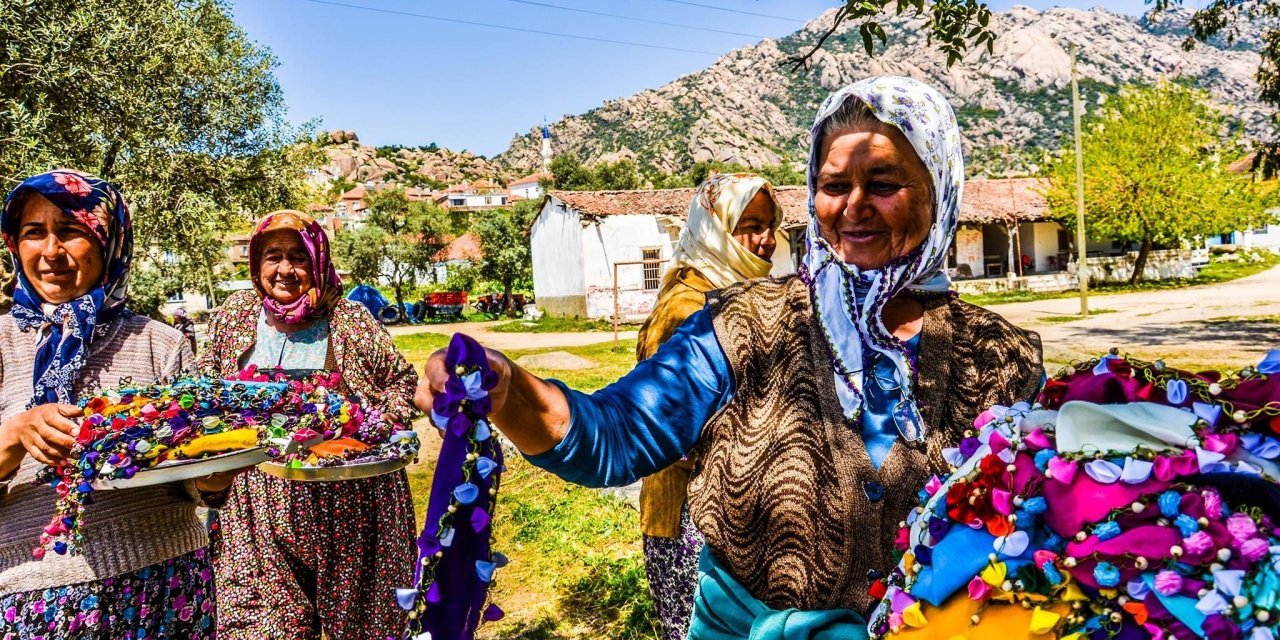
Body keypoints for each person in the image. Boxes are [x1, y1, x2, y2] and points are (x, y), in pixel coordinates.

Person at [415, 77, 1044, 638]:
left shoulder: (998, 356)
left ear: (940, 193)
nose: (852, 206)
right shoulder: (744, 324)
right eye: (832, 186)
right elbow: (615, 433)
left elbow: (1032, 531)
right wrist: (504, 386)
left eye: (882, 185)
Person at [0, 170, 220, 638]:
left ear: (109, 241)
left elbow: (205, 479)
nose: (51, 251)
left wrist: (215, 469)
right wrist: (16, 433)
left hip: (164, 579)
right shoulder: (0, 346)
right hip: (28, 591)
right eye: (34, 233)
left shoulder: (163, 344)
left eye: (72, 231)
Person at [198, 209, 418, 640]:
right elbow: (208, 389)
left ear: (317, 259)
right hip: (257, 507)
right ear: (256, 262)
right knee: (263, 623)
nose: (284, 269)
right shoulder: (234, 317)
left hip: (354, 501)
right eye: (272, 256)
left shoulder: (348, 319)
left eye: (298, 256)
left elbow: (402, 381)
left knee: (361, 625)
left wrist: (374, 427)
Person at [637, 172, 781, 640]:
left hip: (737, 512)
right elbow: (666, 428)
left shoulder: (736, 294)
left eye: (771, 225)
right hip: (693, 518)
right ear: (716, 227)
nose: (767, 241)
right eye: (752, 225)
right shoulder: (688, 306)